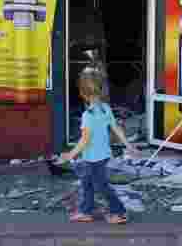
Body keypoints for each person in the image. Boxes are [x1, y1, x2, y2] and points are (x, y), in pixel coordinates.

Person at [59, 69, 138, 224]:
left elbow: (84, 140)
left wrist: (70, 155)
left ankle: (119, 211)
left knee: (101, 186)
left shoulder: (88, 115)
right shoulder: (105, 108)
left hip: (93, 158)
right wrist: (128, 145)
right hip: (102, 155)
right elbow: (116, 128)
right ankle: (86, 211)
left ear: (82, 93)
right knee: (87, 183)